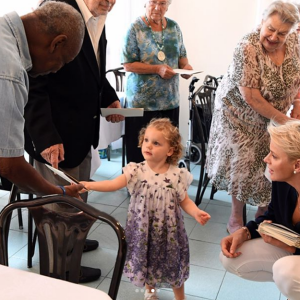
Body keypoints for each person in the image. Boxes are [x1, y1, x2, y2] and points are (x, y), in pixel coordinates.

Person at [24, 0, 123, 283]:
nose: (111, 1)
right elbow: (33, 82)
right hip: (55, 136)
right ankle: (61, 271)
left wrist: (109, 97)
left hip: (81, 130)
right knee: (57, 209)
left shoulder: (95, 16)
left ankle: (74, 241)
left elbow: (95, 68)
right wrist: (46, 137)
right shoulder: (58, 10)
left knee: (78, 198)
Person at [80, 118, 211, 300]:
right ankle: (150, 293)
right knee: (147, 259)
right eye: (146, 140)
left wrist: (196, 212)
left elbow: (185, 200)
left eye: (156, 143)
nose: (148, 145)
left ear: (170, 150)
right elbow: (113, 184)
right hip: (143, 230)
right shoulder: (136, 171)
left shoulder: (177, 175)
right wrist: (90, 185)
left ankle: (180, 297)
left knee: (172, 264)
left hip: (168, 233)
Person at [205, 1, 300, 234]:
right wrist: (284, 120)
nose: (275, 37)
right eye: (271, 29)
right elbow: (252, 97)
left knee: (272, 160)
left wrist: (296, 103)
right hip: (238, 116)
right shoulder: (247, 46)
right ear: (262, 22)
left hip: (274, 117)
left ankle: (263, 213)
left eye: (282, 33)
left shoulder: (296, 42)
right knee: (244, 163)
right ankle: (235, 217)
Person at [0, 1, 85, 197]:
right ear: (57, 43)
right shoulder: (10, 71)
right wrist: (60, 191)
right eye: (63, 61)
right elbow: (9, 165)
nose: (57, 69)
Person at [220, 120, 300, 300]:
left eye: (274, 156)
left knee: (285, 271)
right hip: (294, 250)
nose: (266, 159)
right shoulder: (282, 180)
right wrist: (246, 231)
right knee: (231, 258)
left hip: (294, 253)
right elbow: (272, 215)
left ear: (297, 165)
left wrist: (291, 248)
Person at [121, 0, 193, 164]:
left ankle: (164, 187)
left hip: (170, 102)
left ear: (168, 5)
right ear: (145, 3)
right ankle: (137, 188)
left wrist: (186, 68)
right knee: (139, 152)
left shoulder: (174, 27)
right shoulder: (135, 28)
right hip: (140, 104)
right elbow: (128, 64)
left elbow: (181, 56)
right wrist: (156, 69)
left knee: (167, 150)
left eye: (163, 3)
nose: (157, 7)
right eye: (153, 2)